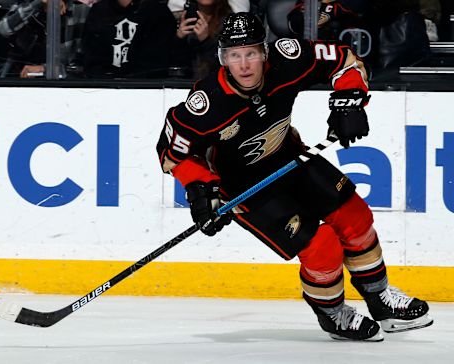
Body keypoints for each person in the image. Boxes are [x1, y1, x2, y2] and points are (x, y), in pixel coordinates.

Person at [156, 12, 434, 341]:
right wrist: (201, 191)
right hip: (245, 188)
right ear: (223, 59)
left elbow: (345, 60)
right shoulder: (205, 105)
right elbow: (171, 153)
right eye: (234, 56)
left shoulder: (289, 59)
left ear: (265, 52)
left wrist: (349, 101)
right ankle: (333, 314)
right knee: (322, 247)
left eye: (251, 53)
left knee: (355, 217)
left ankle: (381, 299)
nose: (244, 65)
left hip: (289, 157)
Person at [82, 0, 177, 78]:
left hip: (146, 89)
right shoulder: (99, 10)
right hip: (102, 88)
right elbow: (92, 60)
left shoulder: (158, 12)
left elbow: (155, 64)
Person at [173, 0, 233, 79]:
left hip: (215, 84)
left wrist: (206, 41)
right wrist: (179, 39)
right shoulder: (181, 18)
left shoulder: (231, 22)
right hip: (184, 85)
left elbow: (229, 64)